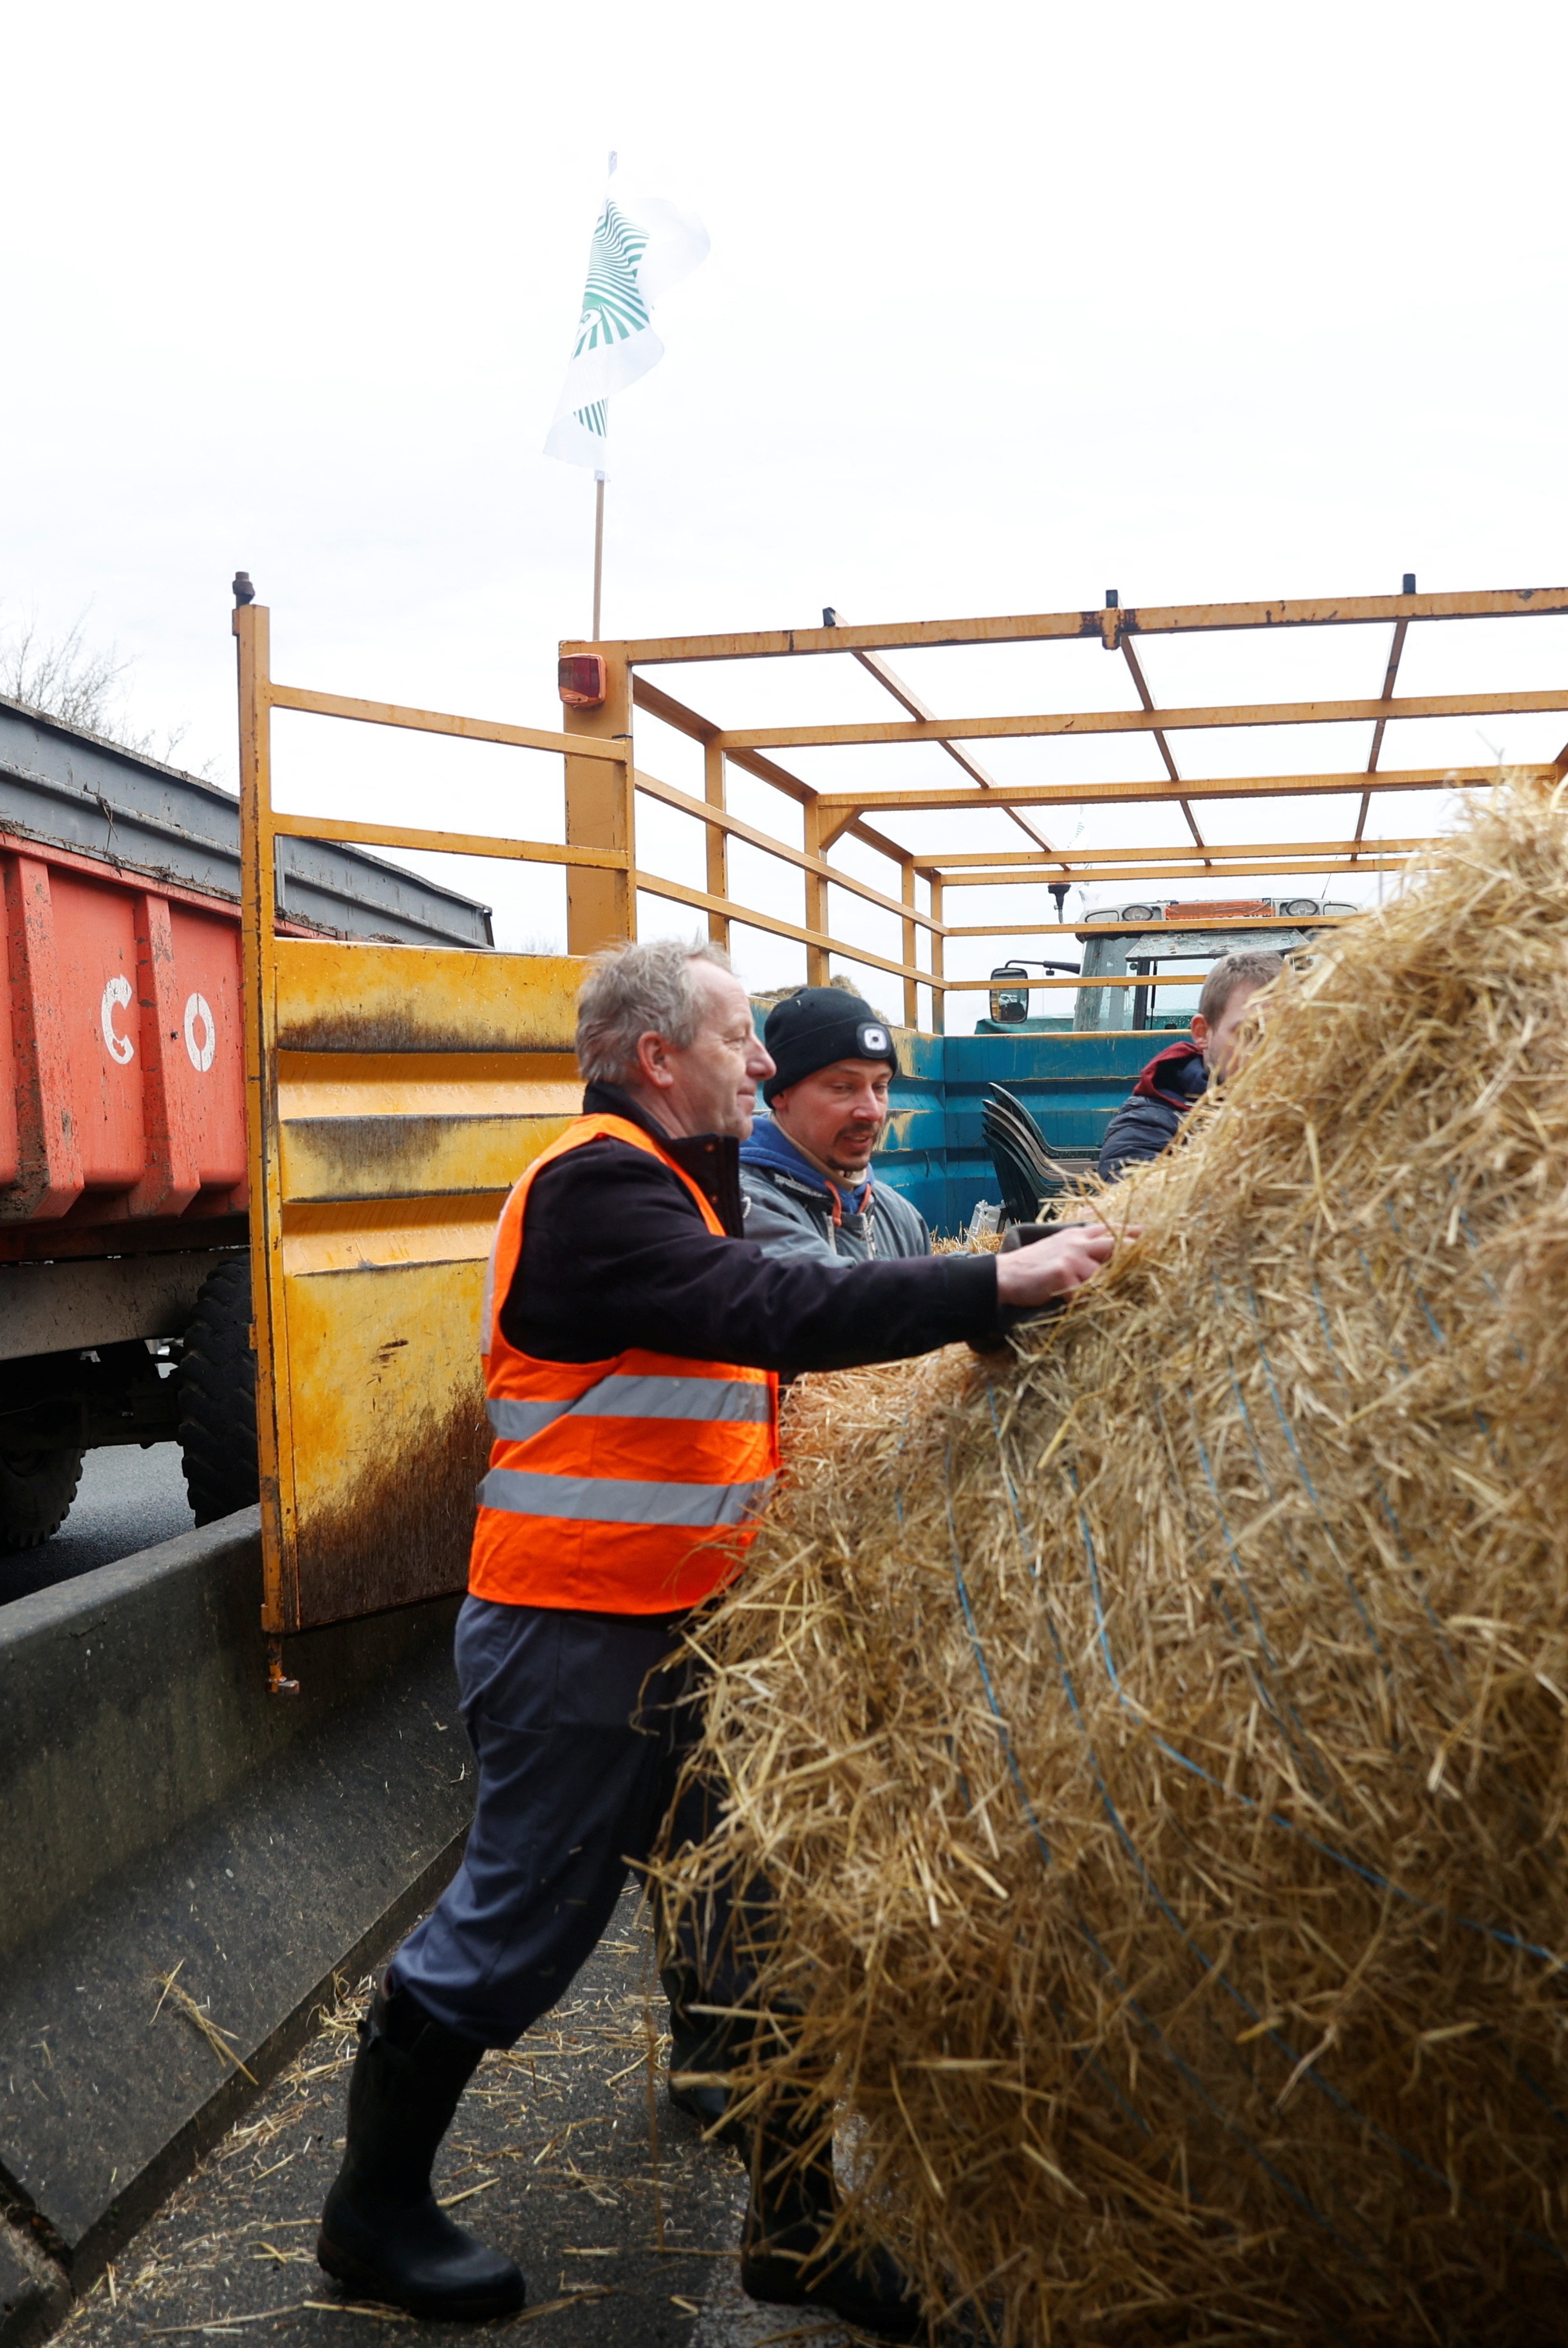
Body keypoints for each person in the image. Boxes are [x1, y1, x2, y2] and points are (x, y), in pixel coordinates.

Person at [315, 937, 1113, 2340]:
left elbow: (766, 1332)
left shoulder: (682, 1183)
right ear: (656, 1056)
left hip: (689, 1625)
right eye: (742, 1037)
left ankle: (799, 2229)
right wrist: (995, 1285)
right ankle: (369, 2215)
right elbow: (770, 1308)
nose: (763, 1060)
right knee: (517, 1929)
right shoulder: (596, 1186)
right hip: (576, 1629)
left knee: (753, 1917)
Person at [740, 985, 929, 1264]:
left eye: (880, 1087)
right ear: (781, 1094)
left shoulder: (900, 1218)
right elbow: (826, 1285)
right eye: (842, 1087)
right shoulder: (744, 1207)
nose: (872, 1111)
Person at [1094, 948, 1282, 1181]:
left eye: (1286, 1036)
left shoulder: (1313, 1116)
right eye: (1249, 1034)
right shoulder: (1148, 1124)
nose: (1269, 1053)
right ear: (1202, 1033)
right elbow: (1131, 1195)